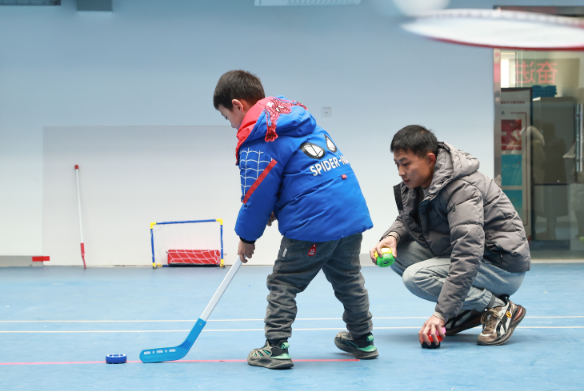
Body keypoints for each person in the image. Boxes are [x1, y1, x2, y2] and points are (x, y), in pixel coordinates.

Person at [213, 70, 376, 369]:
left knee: (284, 282)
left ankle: (275, 348)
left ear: (238, 105)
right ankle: (363, 339)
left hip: (314, 222)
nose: (231, 124)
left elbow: (256, 195)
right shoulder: (299, 121)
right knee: (349, 279)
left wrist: (247, 238)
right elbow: (303, 173)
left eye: (227, 117)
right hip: (350, 212)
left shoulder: (258, 138)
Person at [370, 125, 530, 347]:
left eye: (406, 164)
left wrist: (441, 314)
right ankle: (471, 308)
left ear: (430, 159)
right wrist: (392, 237)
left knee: (415, 277)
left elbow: (467, 254)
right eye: (397, 164)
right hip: (475, 258)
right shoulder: (418, 183)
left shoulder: (462, 188)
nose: (400, 172)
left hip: (501, 266)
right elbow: (408, 219)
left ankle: (499, 307)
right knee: (396, 254)